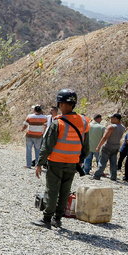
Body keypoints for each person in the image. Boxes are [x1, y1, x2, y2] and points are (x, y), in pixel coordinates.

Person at [33, 89, 88, 228]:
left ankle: (46, 219)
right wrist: (80, 159)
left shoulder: (58, 123)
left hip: (56, 162)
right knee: (65, 191)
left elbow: (47, 146)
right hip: (72, 163)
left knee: (52, 190)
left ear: (62, 104)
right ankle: (57, 219)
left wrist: (39, 163)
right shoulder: (84, 121)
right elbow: (86, 146)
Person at [92, 113, 126, 181]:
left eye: (112, 118)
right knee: (113, 162)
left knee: (102, 162)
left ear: (116, 119)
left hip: (108, 146)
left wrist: (98, 146)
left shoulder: (111, 127)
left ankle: (97, 175)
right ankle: (113, 177)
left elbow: (105, 137)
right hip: (116, 146)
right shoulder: (122, 127)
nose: (110, 119)